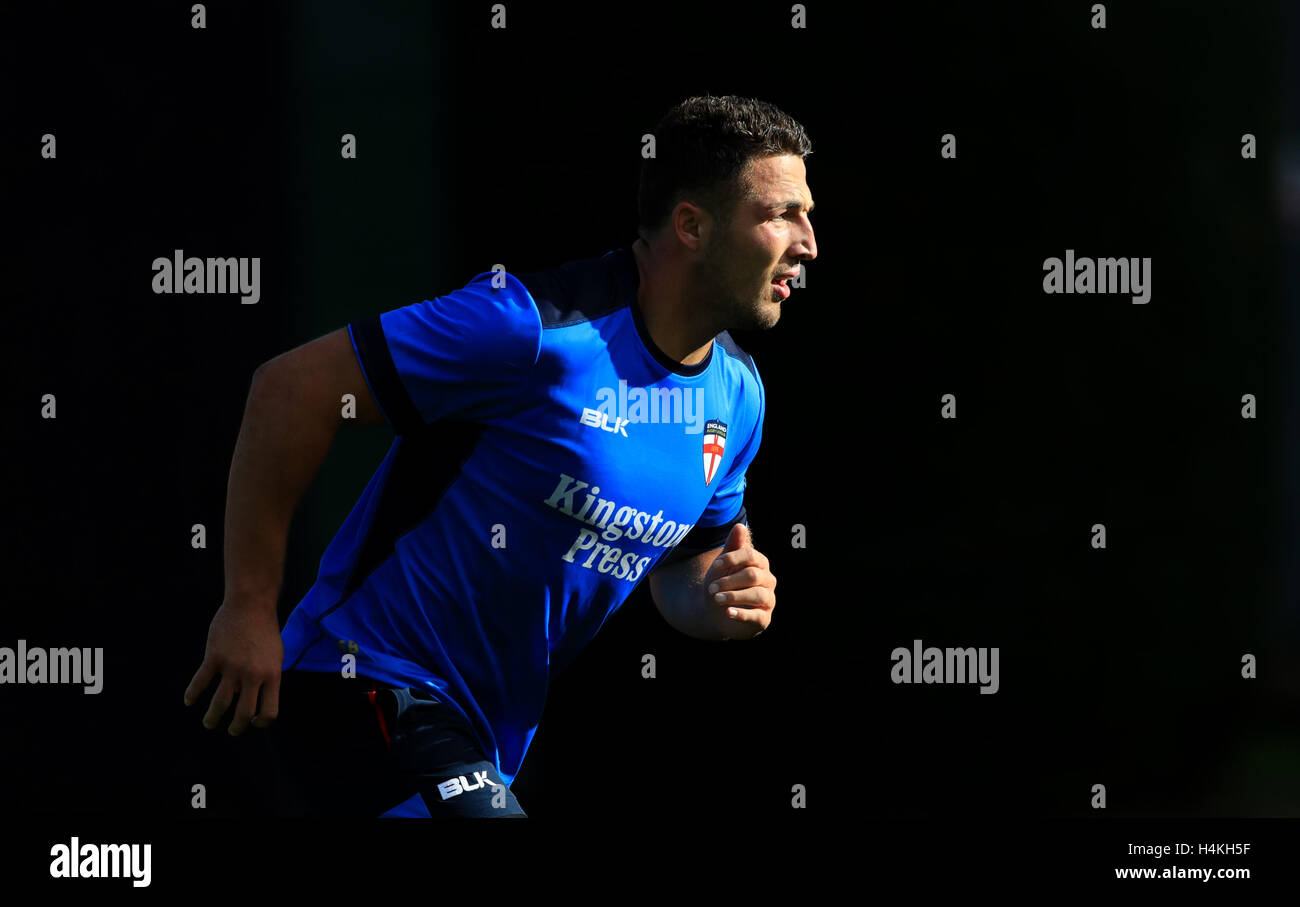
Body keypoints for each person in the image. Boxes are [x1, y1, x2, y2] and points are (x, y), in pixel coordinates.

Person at [184, 95, 817, 817]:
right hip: (362, 676)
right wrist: (247, 606)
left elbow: (682, 568)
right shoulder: (529, 327)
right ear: (691, 226)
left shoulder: (738, 399)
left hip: (480, 736)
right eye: (781, 214)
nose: (808, 242)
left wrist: (715, 594)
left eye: (807, 214)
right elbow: (291, 390)